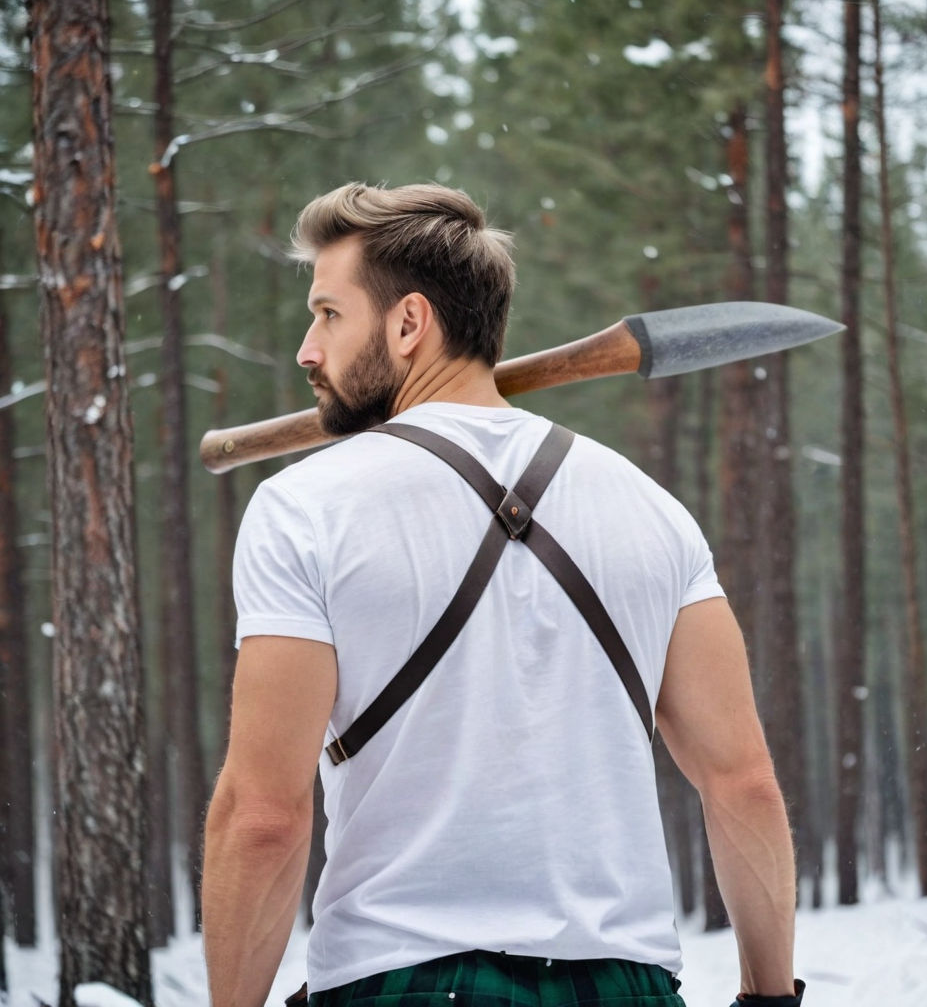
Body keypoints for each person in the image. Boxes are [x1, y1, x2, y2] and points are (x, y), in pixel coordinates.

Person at [201, 182, 804, 1007]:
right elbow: (744, 785)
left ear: (409, 323)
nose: (308, 350)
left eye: (328, 315)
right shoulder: (652, 508)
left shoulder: (304, 507)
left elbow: (264, 817)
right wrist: (769, 997)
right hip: (628, 988)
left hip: (402, 983)